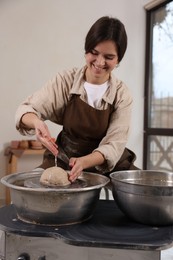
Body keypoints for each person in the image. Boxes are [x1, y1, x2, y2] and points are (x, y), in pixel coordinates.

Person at [15, 16, 138, 183]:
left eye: (109, 57)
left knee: (143, 188)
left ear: (118, 59)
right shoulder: (66, 80)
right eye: (94, 53)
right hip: (65, 156)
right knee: (33, 185)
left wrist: (85, 161)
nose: (100, 62)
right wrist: (37, 123)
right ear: (86, 50)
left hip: (108, 161)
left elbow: (115, 144)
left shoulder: (122, 94)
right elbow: (27, 109)